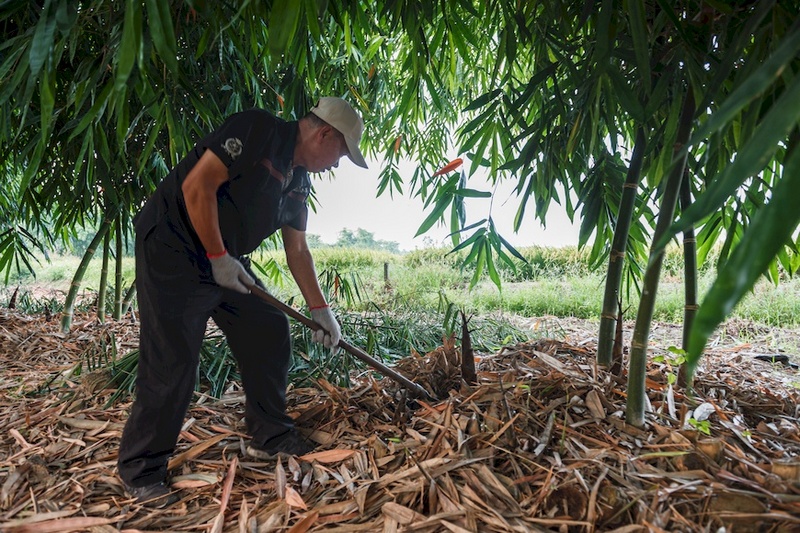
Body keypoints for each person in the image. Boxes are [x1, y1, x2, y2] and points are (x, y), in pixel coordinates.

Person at [117, 97, 368, 508]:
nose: (338, 164)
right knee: (174, 357)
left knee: (267, 327)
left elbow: (298, 251)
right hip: (173, 247)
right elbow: (197, 185)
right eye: (341, 152)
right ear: (324, 134)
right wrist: (217, 258)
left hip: (226, 258)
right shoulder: (257, 130)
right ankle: (142, 469)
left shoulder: (298, 179)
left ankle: (270, 436)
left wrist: (321, 310)